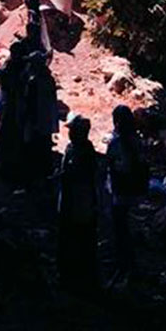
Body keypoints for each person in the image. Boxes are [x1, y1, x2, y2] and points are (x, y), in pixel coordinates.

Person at [105, 105, 148, 286]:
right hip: (135, 190)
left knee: (120, 229)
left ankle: (124, 266)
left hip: (120, 189)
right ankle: (131, 266)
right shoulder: (137, 141)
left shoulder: (116, 143)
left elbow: (111, 163)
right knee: (127, 227)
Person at [57, 113, 100, 291]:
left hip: (79, 200)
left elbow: (84, 177)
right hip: (70, 198)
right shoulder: (71, 149)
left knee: (79, 236)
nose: (70, 134)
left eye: (73, 130)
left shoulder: (85, 152)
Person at [0, 40, 30, 181]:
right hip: (19, 105)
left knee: (1, 134)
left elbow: (2, 80)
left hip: (8, 104)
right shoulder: (26, 66)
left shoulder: (11, 65)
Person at [21, 51, 59, 184]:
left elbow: (29, 103)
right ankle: (46, 175)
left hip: (35, 121)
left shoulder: (33, 81)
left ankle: (34, 178)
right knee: (45, 146)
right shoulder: (49, 79)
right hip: (47, 119)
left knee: (33, 148)